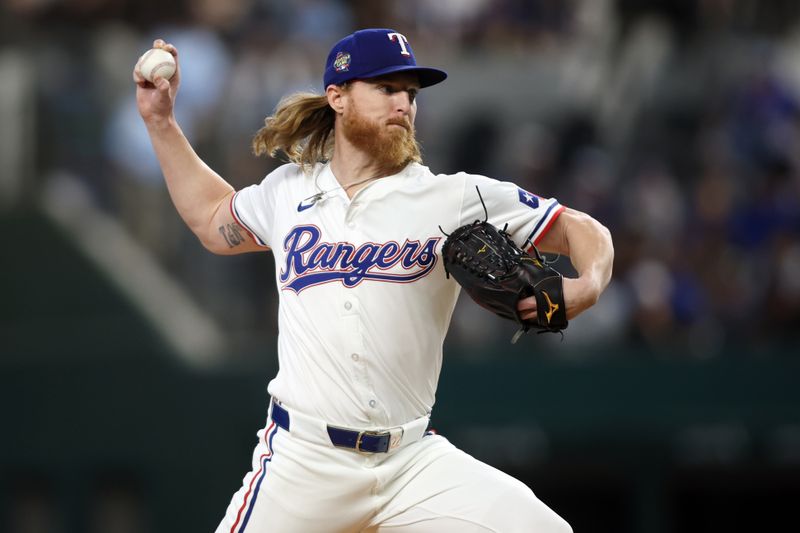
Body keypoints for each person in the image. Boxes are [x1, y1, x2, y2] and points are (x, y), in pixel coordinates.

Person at [134, 28, 613, 533]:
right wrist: (161, 122)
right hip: (305, 462)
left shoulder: (452, 198)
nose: (403, 103)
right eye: (386, 89)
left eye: (410, 93)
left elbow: (582, 229)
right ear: (338, 97)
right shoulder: (287, 193)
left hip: (411, 464)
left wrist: (590, 283)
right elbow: (213, 218)